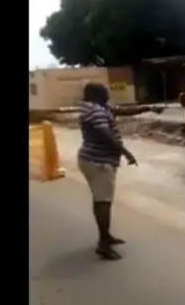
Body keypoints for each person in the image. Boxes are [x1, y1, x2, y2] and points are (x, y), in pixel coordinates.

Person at [77, 82, 139, 261]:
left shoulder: (97, 108)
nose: (108, 95)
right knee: (103, 201)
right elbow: (106, 135)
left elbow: (119, 111)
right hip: (99, 162)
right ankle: (103, 244)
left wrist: (146, 109)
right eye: (105, 92)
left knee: (101, 199)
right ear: (96, 95)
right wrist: (127, 153)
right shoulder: (96, 111)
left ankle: (106, 236)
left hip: (92, 159)